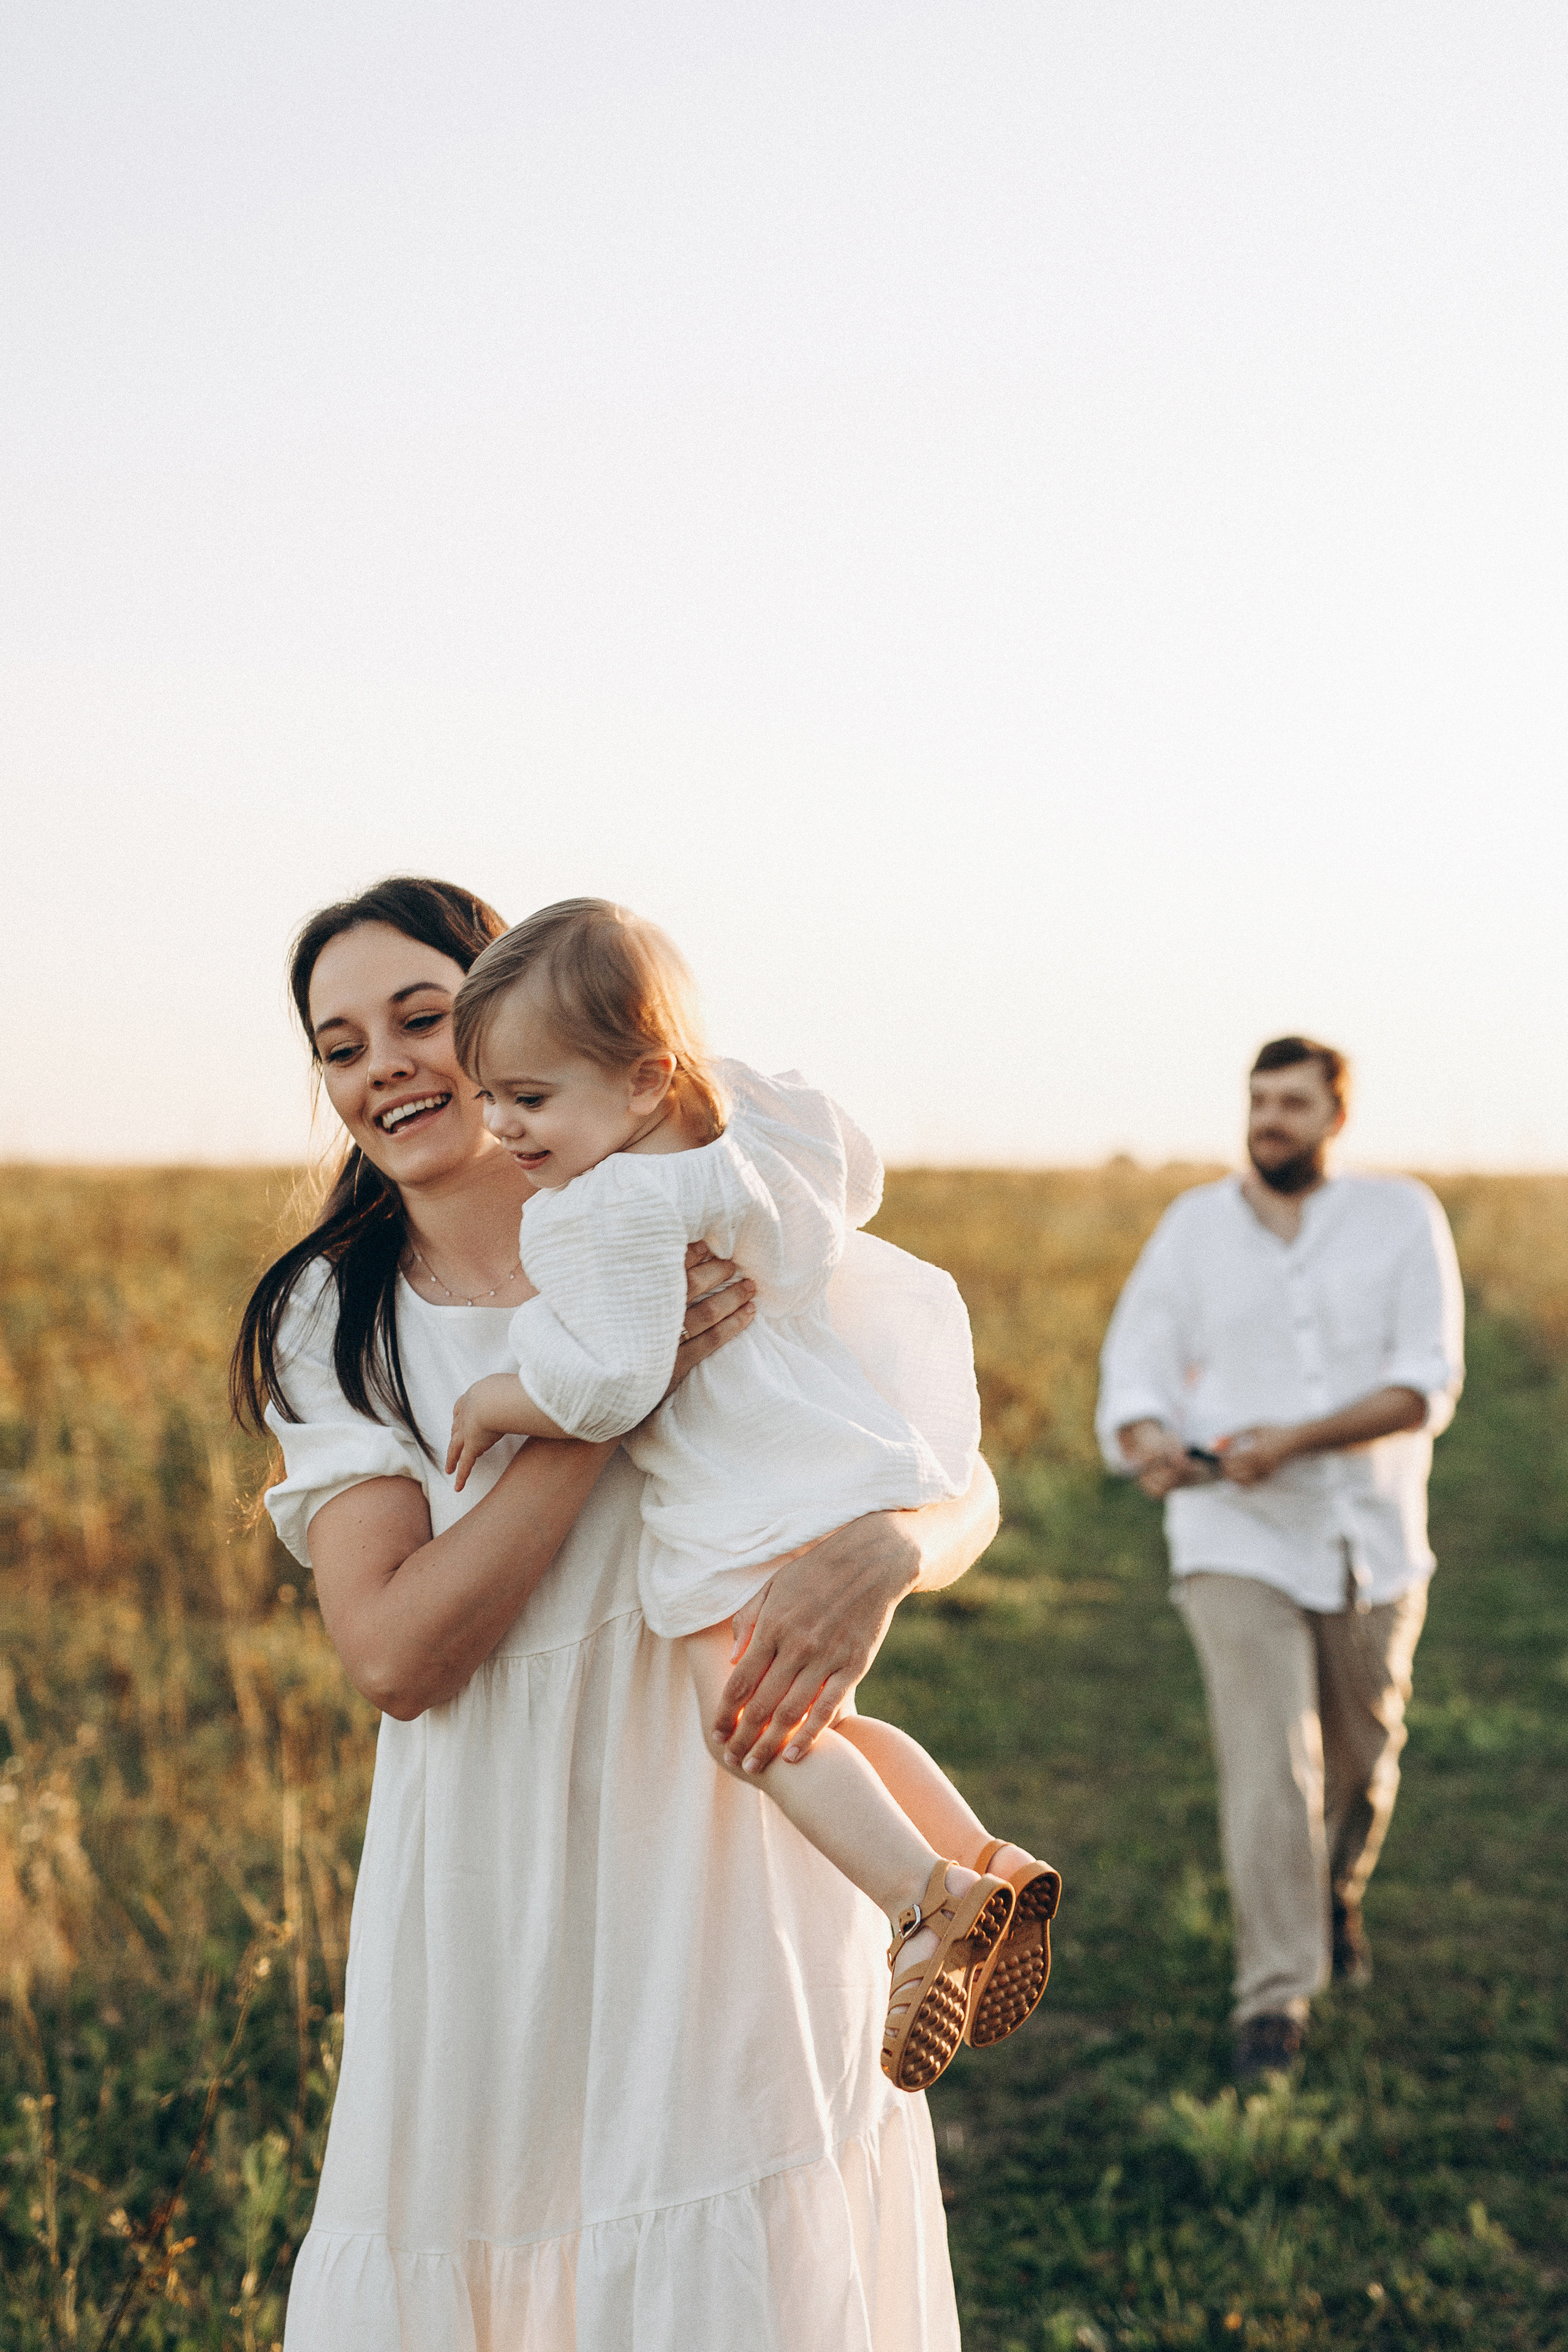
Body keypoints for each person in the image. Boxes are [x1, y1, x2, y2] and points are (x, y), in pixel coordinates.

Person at [230, 875, 1007, 2351]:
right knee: (492, 2245)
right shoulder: (336, 1320)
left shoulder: (700, 1207)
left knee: (736, 2266)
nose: (386, 1065)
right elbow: (393, 1653)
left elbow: (933, 1466)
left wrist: (891, 1549)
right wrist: (606, 1400)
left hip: (724, 1827)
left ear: (520, 1025)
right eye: (340, 1048)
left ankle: (950, 1878)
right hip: (491, 1871)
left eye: (420, 1018)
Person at [442, 898, 1060, 2091]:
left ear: (640, 1081)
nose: (503, 1128)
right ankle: (980, 1857)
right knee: (816, 1721)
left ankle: (922, 1904)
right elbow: (857, 1167)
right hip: (835, 1452)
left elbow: (612, 1382)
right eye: (489, 1097)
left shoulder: (598, 1210)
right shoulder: (759, 1135)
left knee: (749, 1730)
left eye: (530, 1097)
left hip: (740, 1499)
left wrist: (498, 1398)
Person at [1095, 1036, 1464, 2076]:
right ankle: (1274, 1996)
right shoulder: (1192, 1229)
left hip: (1370, 1540)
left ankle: (1334, 1894)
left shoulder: (1401, 1218)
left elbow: (1425, 1386)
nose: (1270, 1120)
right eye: (1259, 1100)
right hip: (1230, 1535)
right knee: (1270, 1766)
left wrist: (1292, 1441)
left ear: (1335, 1118)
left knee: (1362, 1760)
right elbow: (1136, 1369)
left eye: (1293, 1104)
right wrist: (1149, 1444)